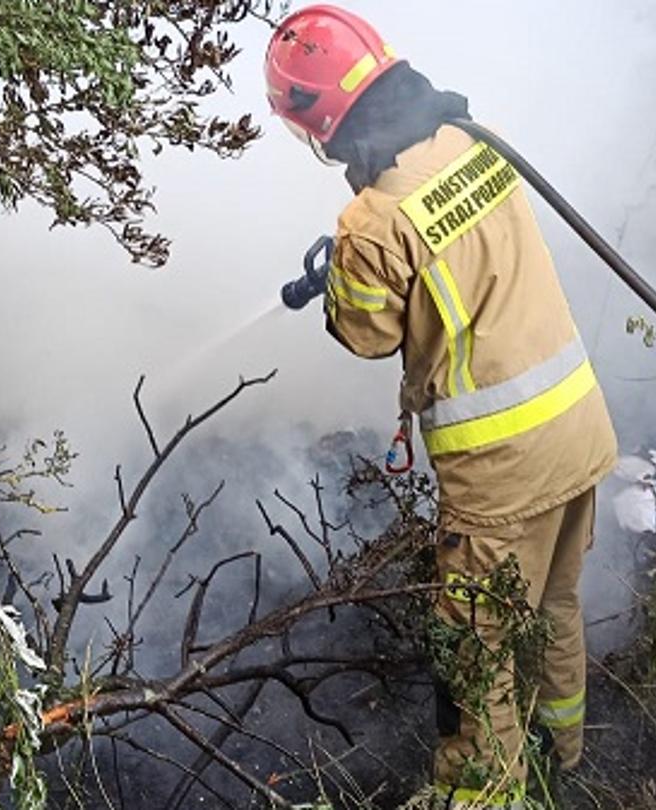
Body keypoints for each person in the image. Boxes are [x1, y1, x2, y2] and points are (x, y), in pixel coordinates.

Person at [264, 6, 619, 806]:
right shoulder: (470, 142)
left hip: (502, 473)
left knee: (478, 651)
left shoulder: (372, 218)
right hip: (579, 429)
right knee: (555, 602)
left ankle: (485, 795)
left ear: (319, 120)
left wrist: (343, 279)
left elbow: (366, 336)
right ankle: (562, 748)